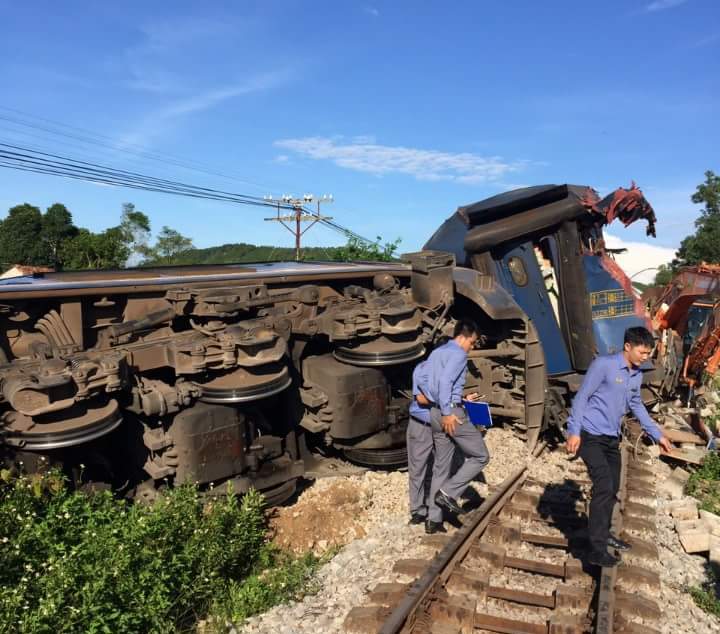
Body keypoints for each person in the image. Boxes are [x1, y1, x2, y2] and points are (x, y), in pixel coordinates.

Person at [566, 326, 673, 567]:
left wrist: (658, 434)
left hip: (611, 438)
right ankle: (596, 549)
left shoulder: (636, 375)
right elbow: (581, 397)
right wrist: (574, 431)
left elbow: (636, 405)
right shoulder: (604, 365)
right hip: (589, 434)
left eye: (648, 353)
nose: (646, 357)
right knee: (603, 484)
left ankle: (603, 533)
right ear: (628, 347)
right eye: (643, 352)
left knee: (612, 487)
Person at [424, 319, 490, 534]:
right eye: (472, 343)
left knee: (441, 467)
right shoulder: (458, 354)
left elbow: (434, 384)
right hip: (449, 414)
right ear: (463, 336)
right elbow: (445, 383)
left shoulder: (437, 353)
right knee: (480, 456)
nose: (471, 348)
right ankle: (448, 493)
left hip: (433, 412)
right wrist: (448, 412)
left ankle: (433, 520)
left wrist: (456, 400)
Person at [406, 360, 433, 525]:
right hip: (422, 424)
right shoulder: (423, 369)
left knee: (438, 467)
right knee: (418, 469)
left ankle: (434, 507)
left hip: (441, 424)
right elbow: (421, 399)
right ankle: (418, 511)